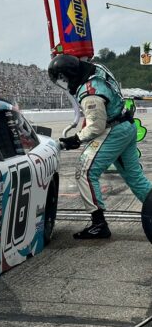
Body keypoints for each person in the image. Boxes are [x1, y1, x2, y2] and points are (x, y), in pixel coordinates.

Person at [48, 54, 152, 240]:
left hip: (114, 130)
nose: (64, 83)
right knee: (134, 177)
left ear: (70, 74)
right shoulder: (96, 68)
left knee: (85, 171)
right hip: (126, 125)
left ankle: (99, 224)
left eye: (63, 79)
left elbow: (95, 127)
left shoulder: (90, 93)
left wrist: (74, 140)